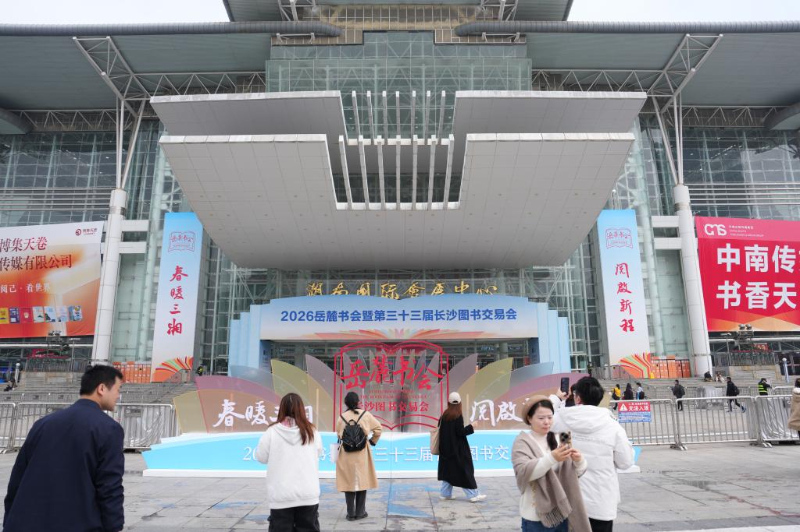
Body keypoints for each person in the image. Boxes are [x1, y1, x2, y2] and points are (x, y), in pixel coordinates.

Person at [4, 364, 125, 532]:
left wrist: (10, 519)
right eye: (118, 389)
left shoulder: (43, 423)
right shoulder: (109, 428)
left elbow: (18, 477)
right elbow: (109, 486)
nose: (118, 396)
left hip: (25, 523)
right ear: (102, 389)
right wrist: (114, 526)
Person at [550, 377, 635, 532]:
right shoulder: (612, 425)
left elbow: (539, 415)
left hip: (568, 500)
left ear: (577, 397)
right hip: (601, 501)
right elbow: (625, 462)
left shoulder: (562, 420)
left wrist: (556, 398)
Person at [512, 396, 590, 532]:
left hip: (563, 511)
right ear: (529, 418)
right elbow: (524, 473)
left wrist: (579, 460)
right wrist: (552, 458)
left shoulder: (563, 437)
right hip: (535, 516)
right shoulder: (522, 442)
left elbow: (573, 474)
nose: (547, 422)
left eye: (550, 417)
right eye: (541, 418)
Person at [254, 392, 323, 531]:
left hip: (281, 495)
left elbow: (261, 457)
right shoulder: (312, 431)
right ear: (301, 409)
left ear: (282, 408)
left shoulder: (272, 431)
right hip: (308, 493)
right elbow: (318, 452)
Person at [335, 391, 382, 521]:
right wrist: (372, 441)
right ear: (358, 402)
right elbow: (378, 429)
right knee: (362, 481)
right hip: (362, 453)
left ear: (346, 403)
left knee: (348, 482)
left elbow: (338, 434)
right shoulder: (366, 415)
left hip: (346, 453)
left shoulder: (341, 417)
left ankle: (350, 513)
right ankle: (360, 512)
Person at [437, 392, 486, 502]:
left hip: (445, 450)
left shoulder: (444, 416)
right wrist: (472, 426)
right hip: (457, 450)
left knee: (448, 472)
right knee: (464, 472)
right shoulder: (457, 416)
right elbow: (460, 432)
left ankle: (445, 494)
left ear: (448, 403)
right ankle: (473, 495)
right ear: (460, 403)